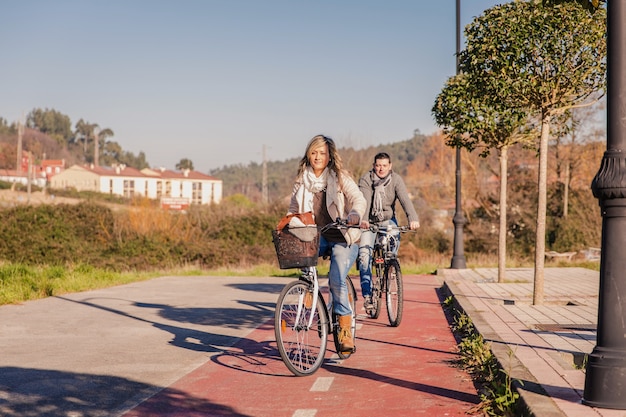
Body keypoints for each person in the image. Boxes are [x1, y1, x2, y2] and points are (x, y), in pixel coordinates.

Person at [287, 134, 366, 352]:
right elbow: (293, 210)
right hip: (317, 236)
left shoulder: (339, 177)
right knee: (302, 253)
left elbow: (358, 198)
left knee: (336, 278)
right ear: (308, 155)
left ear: (329, 156)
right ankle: (309, 287)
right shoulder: (301, 181)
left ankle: (344, 329)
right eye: (314, 152)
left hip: (343, 237)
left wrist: (355, 215)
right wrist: (288, 222)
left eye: (322, 153)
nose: (318, 157)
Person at [357, 152, 420, 311]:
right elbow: (364, 201)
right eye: (378, 165)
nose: (381, 169)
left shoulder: (396, 180)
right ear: (374, 166)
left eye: (384, 165)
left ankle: (390, 267)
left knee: (393, 238)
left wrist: (412, 218)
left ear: (390, 166)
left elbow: (405, 200)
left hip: (387, 220)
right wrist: (363, 220)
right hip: (369, 221)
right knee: (364, 257)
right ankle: (367, 295)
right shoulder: (366, 179)